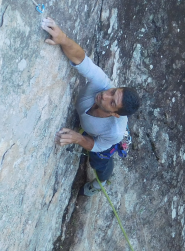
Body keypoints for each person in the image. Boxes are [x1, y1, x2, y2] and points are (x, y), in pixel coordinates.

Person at [41, 17, 142, 196]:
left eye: (112, 102)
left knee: (99, 162)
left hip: (105, 139)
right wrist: (63, 38)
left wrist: (78, 139)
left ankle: (101, 181)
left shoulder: (114, 131)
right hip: (93, 125)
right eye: (113, 91)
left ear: (116, 114)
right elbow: (81, 60)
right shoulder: (103, 84)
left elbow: (97, 146)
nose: (104, 95)